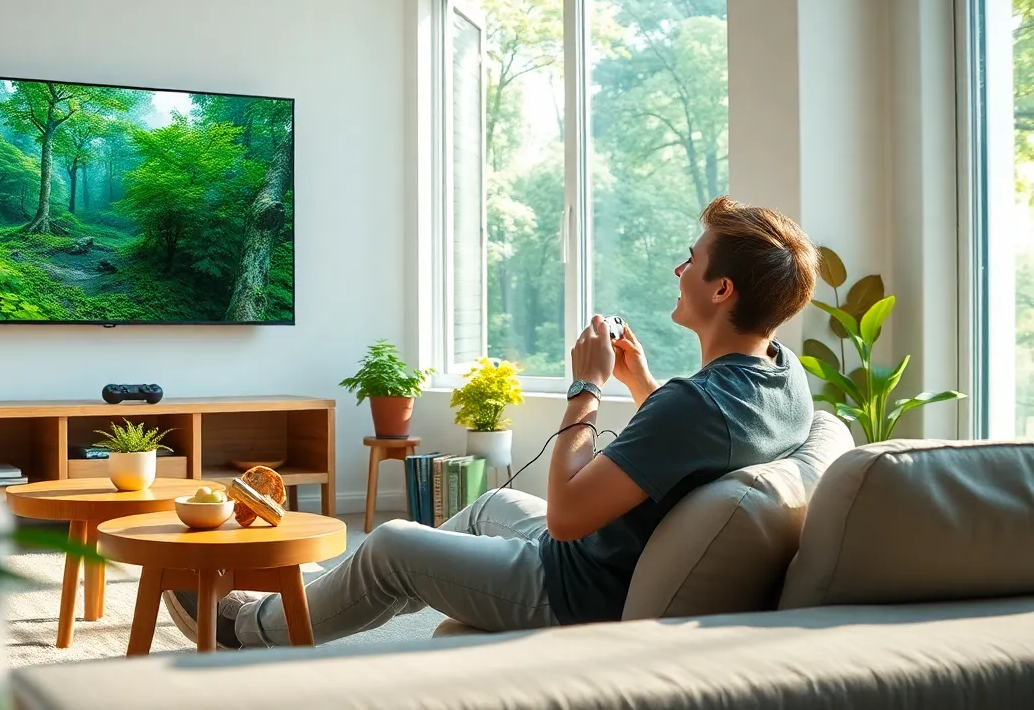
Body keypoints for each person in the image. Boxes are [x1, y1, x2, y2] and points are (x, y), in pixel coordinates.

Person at [164, 195, 819, 648]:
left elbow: (565, 516)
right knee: (492, 504)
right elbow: (688, 446)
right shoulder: (784, 377)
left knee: (390, 542)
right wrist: (640, 383)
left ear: (722, 290)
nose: (680, 270)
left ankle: (253, 628)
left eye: (693, 260)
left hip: (573, 591)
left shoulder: (695, 402)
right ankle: (334, 594)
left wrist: (585, 386)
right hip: (600, 561)